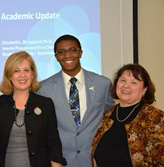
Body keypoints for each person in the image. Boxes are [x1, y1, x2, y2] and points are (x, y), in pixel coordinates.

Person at [37, 34, 114, 167]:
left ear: (80, 53)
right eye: (61, 52)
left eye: (72, 50)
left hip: (95, 160)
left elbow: (109, 119)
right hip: (60, 161)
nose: (67, 56)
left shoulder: (103, 84)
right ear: (56, 57)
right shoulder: (44, 89)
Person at [0, 51, 66, 167]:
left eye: (26, 70)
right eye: (16, 71)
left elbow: (53, 143)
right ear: (9, 75)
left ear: (32, 74)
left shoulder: (45, 104)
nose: (22, 75)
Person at [91, 64, 164, 167]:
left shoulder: (156, 118)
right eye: (123, 80)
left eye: (134, 82)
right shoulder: (107, 116)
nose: (126, 86)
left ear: (144, 90)